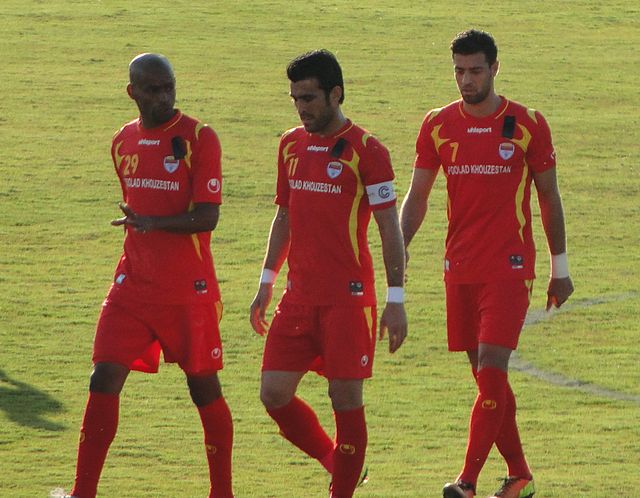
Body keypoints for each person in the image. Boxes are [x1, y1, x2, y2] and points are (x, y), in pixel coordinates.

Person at [399, 30, 574, 498]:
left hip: (510, 267)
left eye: (475, 70)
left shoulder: (527, 123)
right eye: (459, 70)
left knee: (493, 367)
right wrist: (400, 246)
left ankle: (467, 481)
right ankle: (519, 475)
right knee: (486, 380)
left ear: (495, 68)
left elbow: (549, 197)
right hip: (460, 268)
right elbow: (417, 196)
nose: (466, 79)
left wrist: (560, 266)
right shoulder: (437, 124)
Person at [58, 53, 234, 498]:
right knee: (103, 377)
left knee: (203, 388)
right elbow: (133, 206)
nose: (164, 97)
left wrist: (154, 224)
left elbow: (208, 216)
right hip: (132, 286)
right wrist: (143, 227)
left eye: (169, 87)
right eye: (153, 89)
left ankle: (222, 492)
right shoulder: (123, 142)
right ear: (132, 92)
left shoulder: (199, 137)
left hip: (187, 289)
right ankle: (83, 493)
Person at [249, 49, 408, 498]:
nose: (302, 108)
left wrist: (396, 301)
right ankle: (334, 461)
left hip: (348, 299)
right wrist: (266, 282)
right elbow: (285, 215)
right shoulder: (290, 144)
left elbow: (389, 229)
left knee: (346, 400)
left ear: (335, 94)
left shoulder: (368, 151)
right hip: (297, 298)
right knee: (273, 394)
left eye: (310, 98)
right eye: (295, 98)